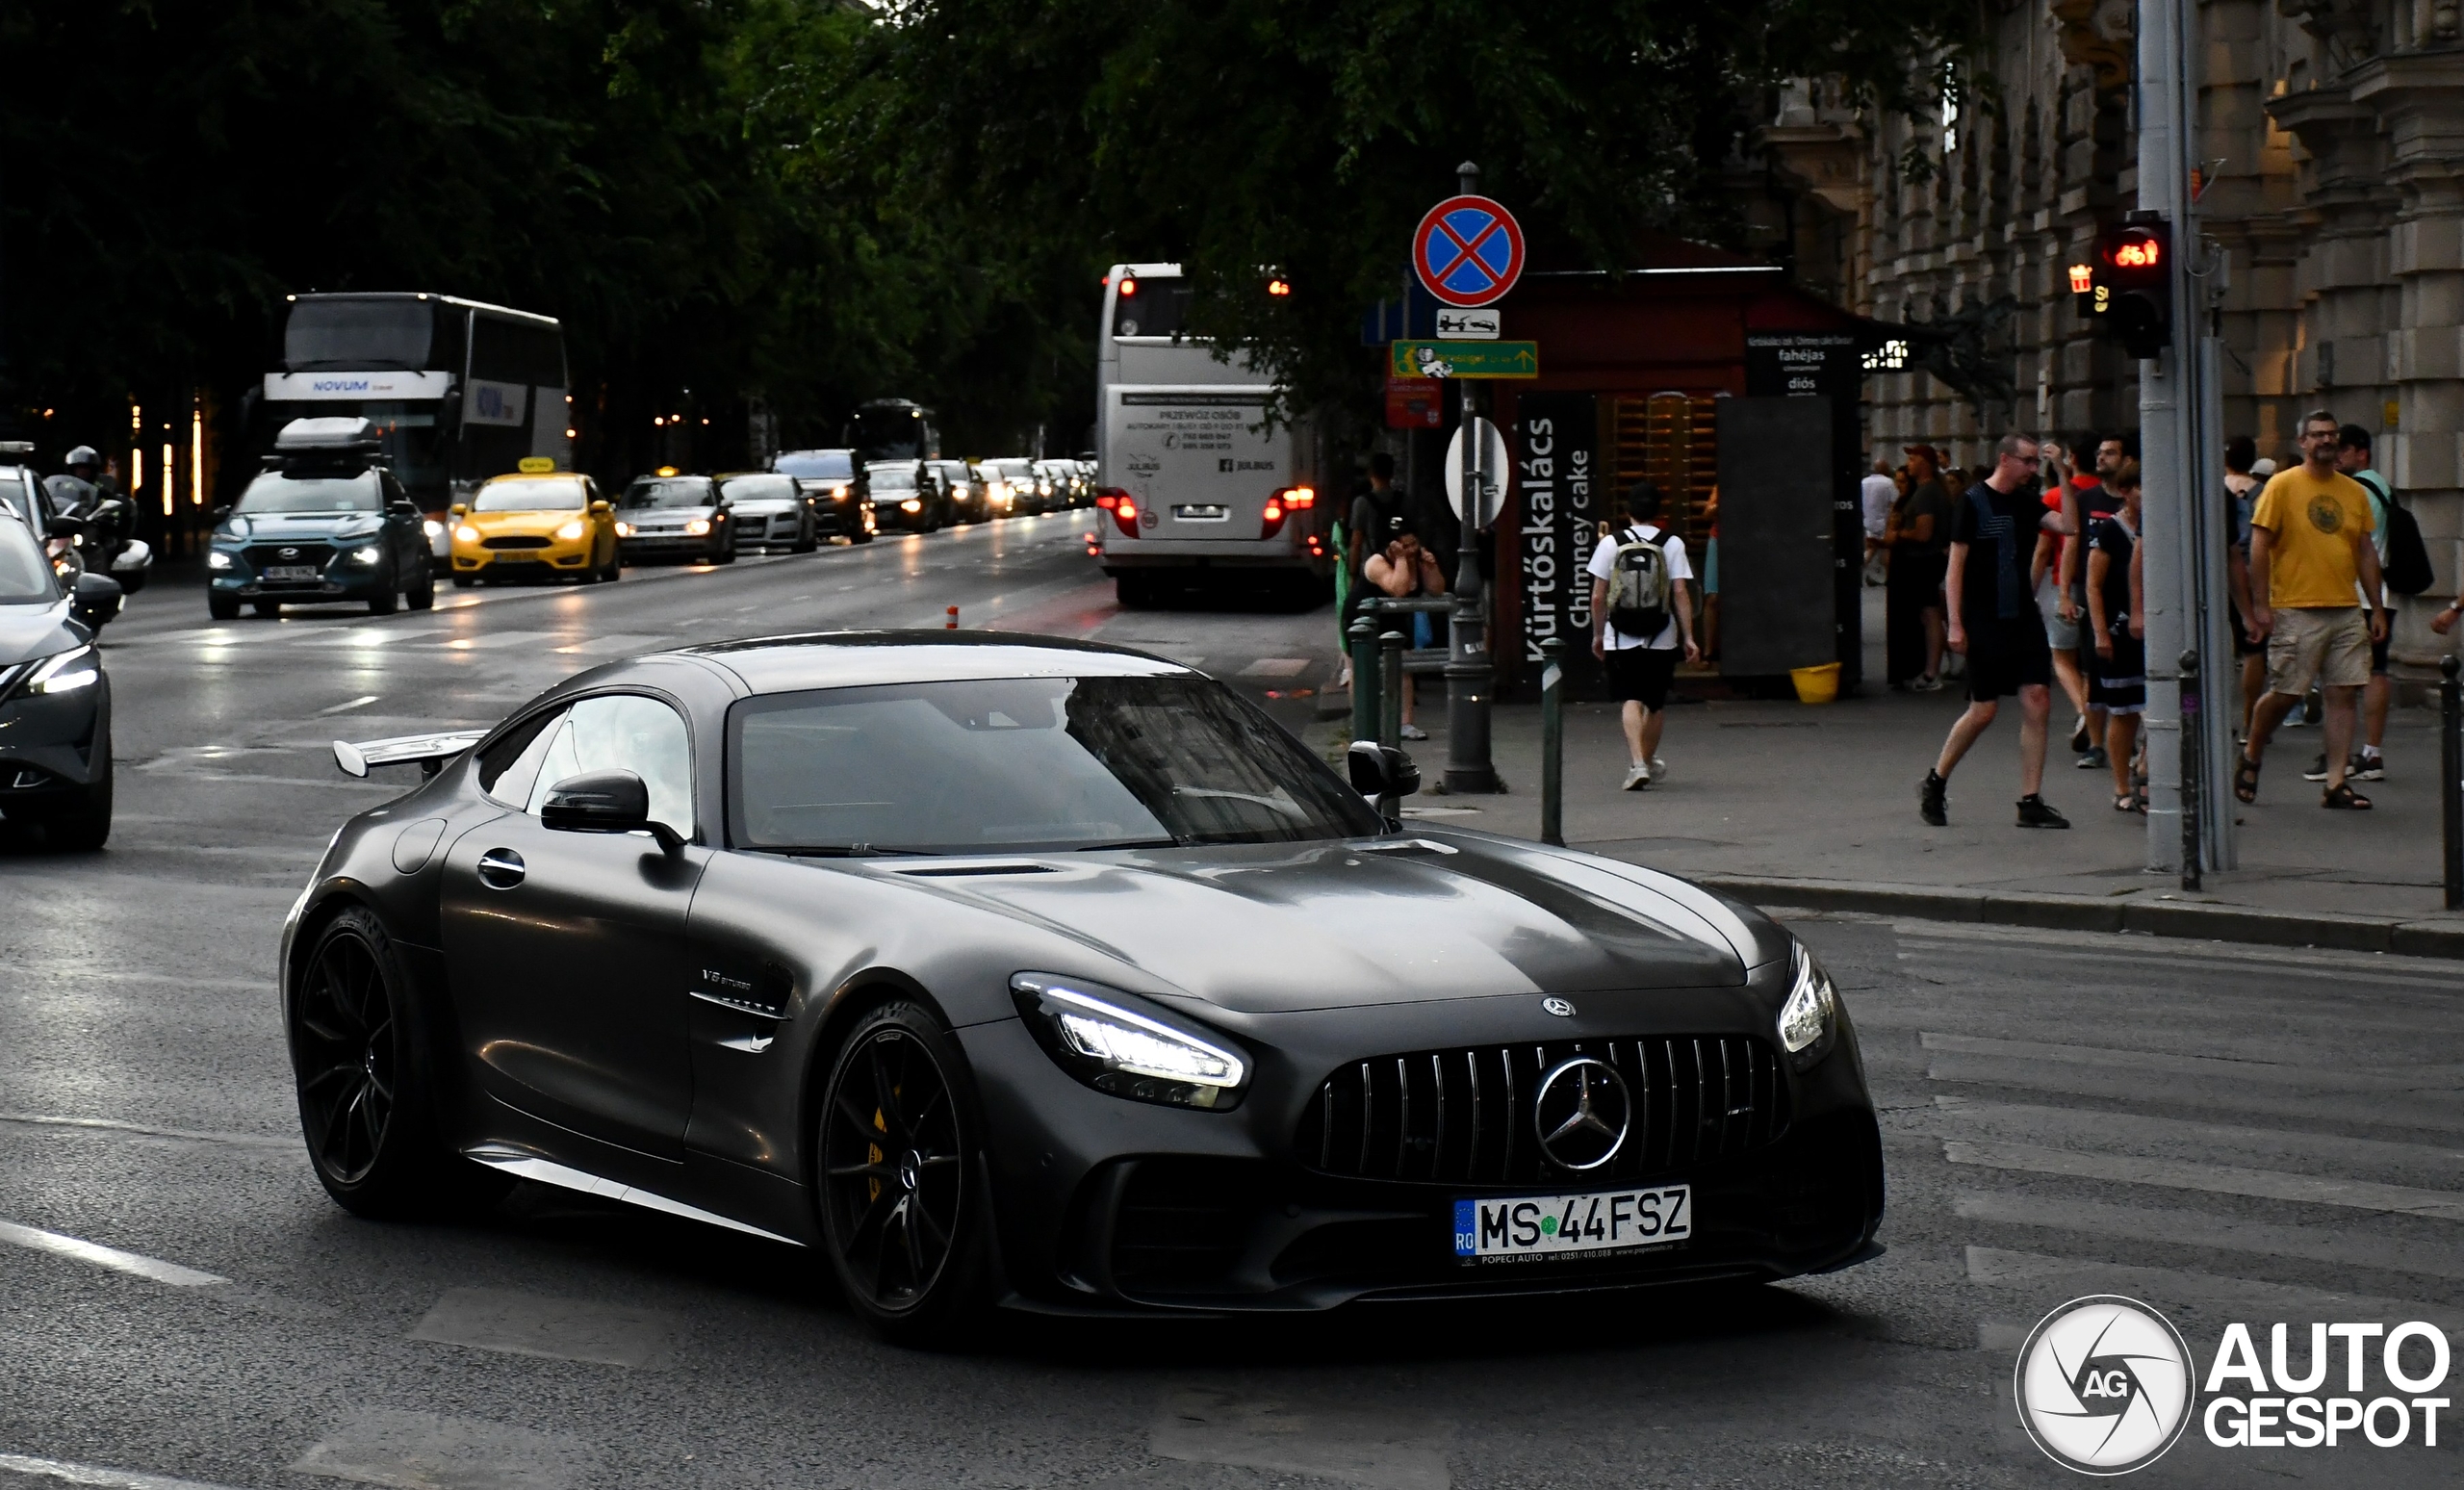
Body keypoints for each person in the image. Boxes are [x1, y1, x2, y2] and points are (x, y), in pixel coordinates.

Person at [2236, 409, 2390, 809]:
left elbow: (2365, 550)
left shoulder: (2353, 491)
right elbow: (2258, 545)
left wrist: (2375, 606)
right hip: (2295, 608)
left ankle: (2336, 783)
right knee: (2286, 692)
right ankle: (2252, 751)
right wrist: (2260, 604)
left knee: (2343, 695)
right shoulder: (2282, 486)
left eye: (2331, 434)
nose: (2326, 440)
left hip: (2344, 607)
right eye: (2317, 434)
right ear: (2302, 442)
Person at [1919, 432, 2072, 829]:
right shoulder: (1972, 502)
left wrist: (2062, 473)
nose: (2032, 469)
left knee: (2038, 697)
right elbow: (1955, 566)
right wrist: (1955, 622)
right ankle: (1936, 781)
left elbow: (2069, 526)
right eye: (2028, 461)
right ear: (2005, 459)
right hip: (1983, 617)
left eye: (2037, 463)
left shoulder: (2025, 502)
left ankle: (2030, 799)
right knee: (1983, 710)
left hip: (2022, 616)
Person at [1588, 481, 1699, 790]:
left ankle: (1638, 764)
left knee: (1630, 698)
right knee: (1655, 702)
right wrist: (1689, 636)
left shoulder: (1610, 543)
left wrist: (1599, 634)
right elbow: (1680, 592)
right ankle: (1646, 762)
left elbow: (1598, 596)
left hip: (1620, 634)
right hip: (1661, 634)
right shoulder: (1672, 543)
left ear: (1627, 511)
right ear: (1658, 511)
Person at [2329, 424, 2394, 782]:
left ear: (2361, 453)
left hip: (2363, 594)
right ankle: (2369, 750)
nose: (2337, 457)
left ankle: (2364, 752)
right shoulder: (2381, 485)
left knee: (2357, 675)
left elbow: (2353, 542)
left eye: (2344, 450)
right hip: (2379, 593)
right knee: (2374, 671)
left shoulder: (2359, 489)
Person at [2085, 461, 2147, 811]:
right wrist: (2100, 634)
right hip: (2119, 629)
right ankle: (2122, 786)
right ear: (2125, 492)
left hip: (2154, 630)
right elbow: (2093, 585)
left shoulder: (2161, 526)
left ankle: (2147, 772)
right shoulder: (2111, 531)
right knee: (2124, 711)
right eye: (2141, 487)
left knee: (2157, 707)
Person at [1363, 525, 1445, 739]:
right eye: (1403, 546)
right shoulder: (1377, 562)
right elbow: (1398, 589)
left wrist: (1431, 567)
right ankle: (1364, 723)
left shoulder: (1418, 560)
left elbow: (1437, 590)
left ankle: (1405, 723)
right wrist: (1400, 560)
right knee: (1363, 669)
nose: (1409, 550)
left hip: (1397, 618)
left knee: (1404, 668)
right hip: (1366, 619)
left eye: (1413, 544)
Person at [1886, 446, 1951, 689]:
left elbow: (1924, 533)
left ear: (1924, 462)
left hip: (1924, 559)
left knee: (1930, 613)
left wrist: (1900, 532)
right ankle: (1930, 669)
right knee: (1929, 612)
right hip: (1927, 559)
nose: (1909, 463)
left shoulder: (1926, 493)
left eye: (1913, 459)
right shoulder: (1929, 491)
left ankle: (1931, 672)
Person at [2221, 435, 2267, 738]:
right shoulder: (2264, 492)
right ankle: (2251, 718)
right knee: (2254, 647)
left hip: (2218, 571)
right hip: (2252, 569)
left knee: (2219, 644)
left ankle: (2217, 715)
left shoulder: (2216, 488)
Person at [1861, 459, 1897, 583]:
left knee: (1871, 548)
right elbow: (1894, 502)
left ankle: (1858, 570)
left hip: (1868, 521)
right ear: (1884, 469)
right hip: (1884, 522)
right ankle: (1889, 577)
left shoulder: (1864, 482)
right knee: (1888, 548)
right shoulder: (1888, 483)